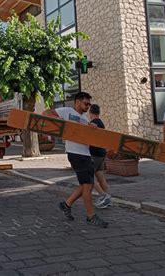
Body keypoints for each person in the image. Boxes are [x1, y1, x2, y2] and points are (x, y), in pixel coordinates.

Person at [44, 92, 108, 228]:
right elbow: (46, 113)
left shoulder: (84, 119)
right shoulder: (67, 111)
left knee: (88, 184)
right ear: (78, 102)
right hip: (76, 154)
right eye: (86, 103)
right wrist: (63, 125)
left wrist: (92, 129)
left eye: (89, 104)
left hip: (85, 154)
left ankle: (66, 204)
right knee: (87, 185)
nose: (88, 106)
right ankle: (91, 216)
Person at [88, 104, 111, 209]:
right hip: (101, 153)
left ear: (90, 113)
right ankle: (108, 199)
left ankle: (103, 196)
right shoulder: (100, 122)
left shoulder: (93, 124)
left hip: (94, 154)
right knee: (101, 177)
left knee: (89, 177)